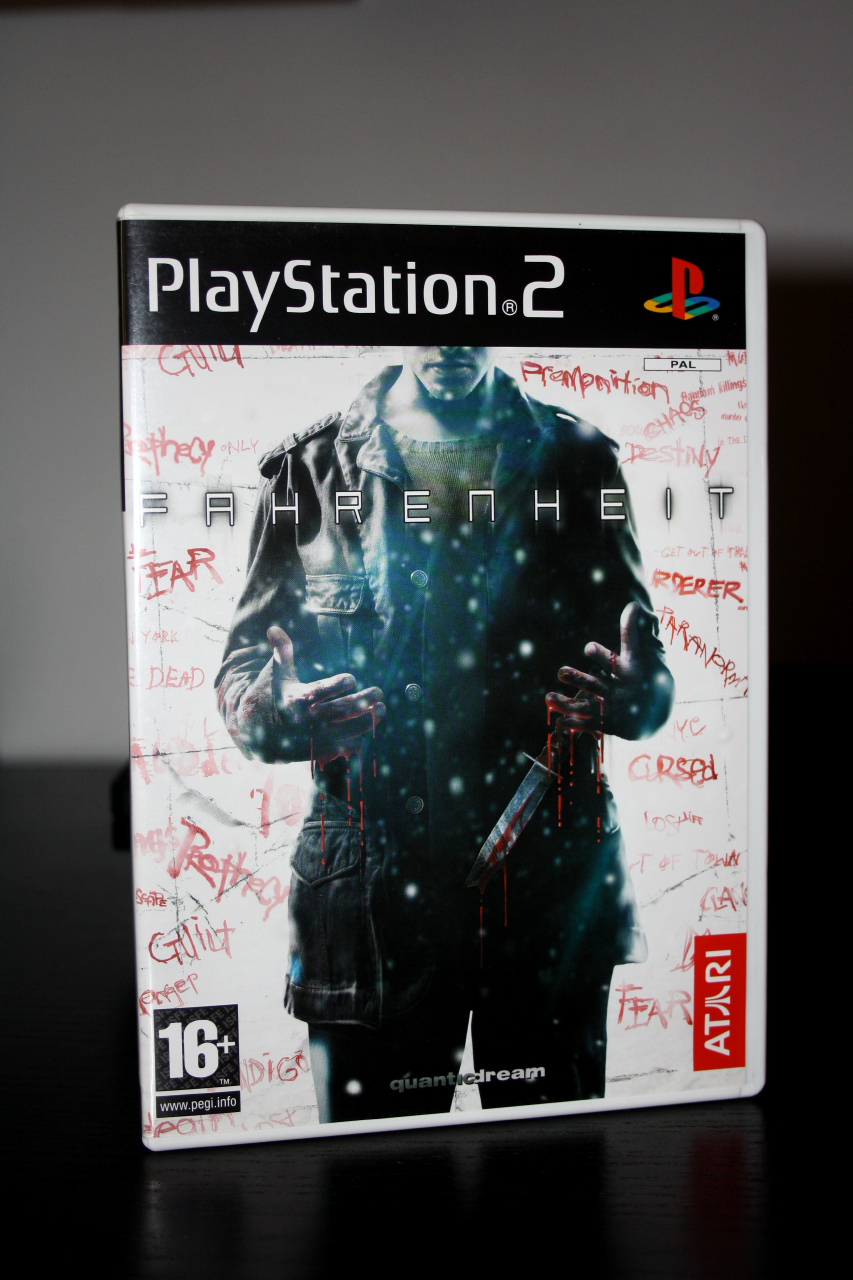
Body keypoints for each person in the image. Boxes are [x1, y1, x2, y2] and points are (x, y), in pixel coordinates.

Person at [215, 346, 674, 1122]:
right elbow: (243, 680)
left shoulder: (579, 461)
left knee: (553, 1170)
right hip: (368, 902)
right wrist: (272, 712)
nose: (450, 342)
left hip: (546, 895)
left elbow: (643, 674)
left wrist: (634, 697)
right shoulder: (308, 471)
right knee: (371, 1175)